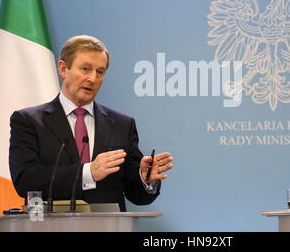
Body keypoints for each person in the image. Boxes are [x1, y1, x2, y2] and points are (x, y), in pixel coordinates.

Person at [9, 35, 173, 211]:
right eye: (86, 69)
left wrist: (144, 178)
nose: (93, 79)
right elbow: (26, 181)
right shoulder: (28, 121)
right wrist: (88, 173)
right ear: (63, 69)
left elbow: (137, 195)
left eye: (100, 72)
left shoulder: (122, 125)